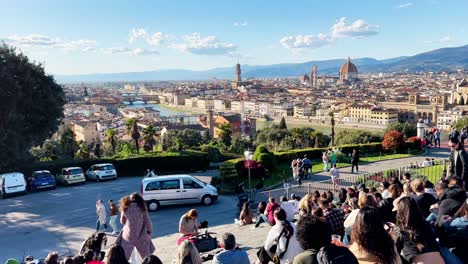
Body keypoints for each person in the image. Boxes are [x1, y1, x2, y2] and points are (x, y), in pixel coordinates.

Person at [393, 197, 445, 264]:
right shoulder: (426, 224)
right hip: (437, 260)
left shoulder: (400, 231)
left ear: (400, 211)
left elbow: (395, 253)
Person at [118, 193, 155, 260]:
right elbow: (148, 221)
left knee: (129, 257)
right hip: (141, 236)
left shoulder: (125, 207)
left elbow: (122, 221)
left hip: (128, 237)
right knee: (144, 258)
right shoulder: (142, 207)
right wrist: (150, 231)